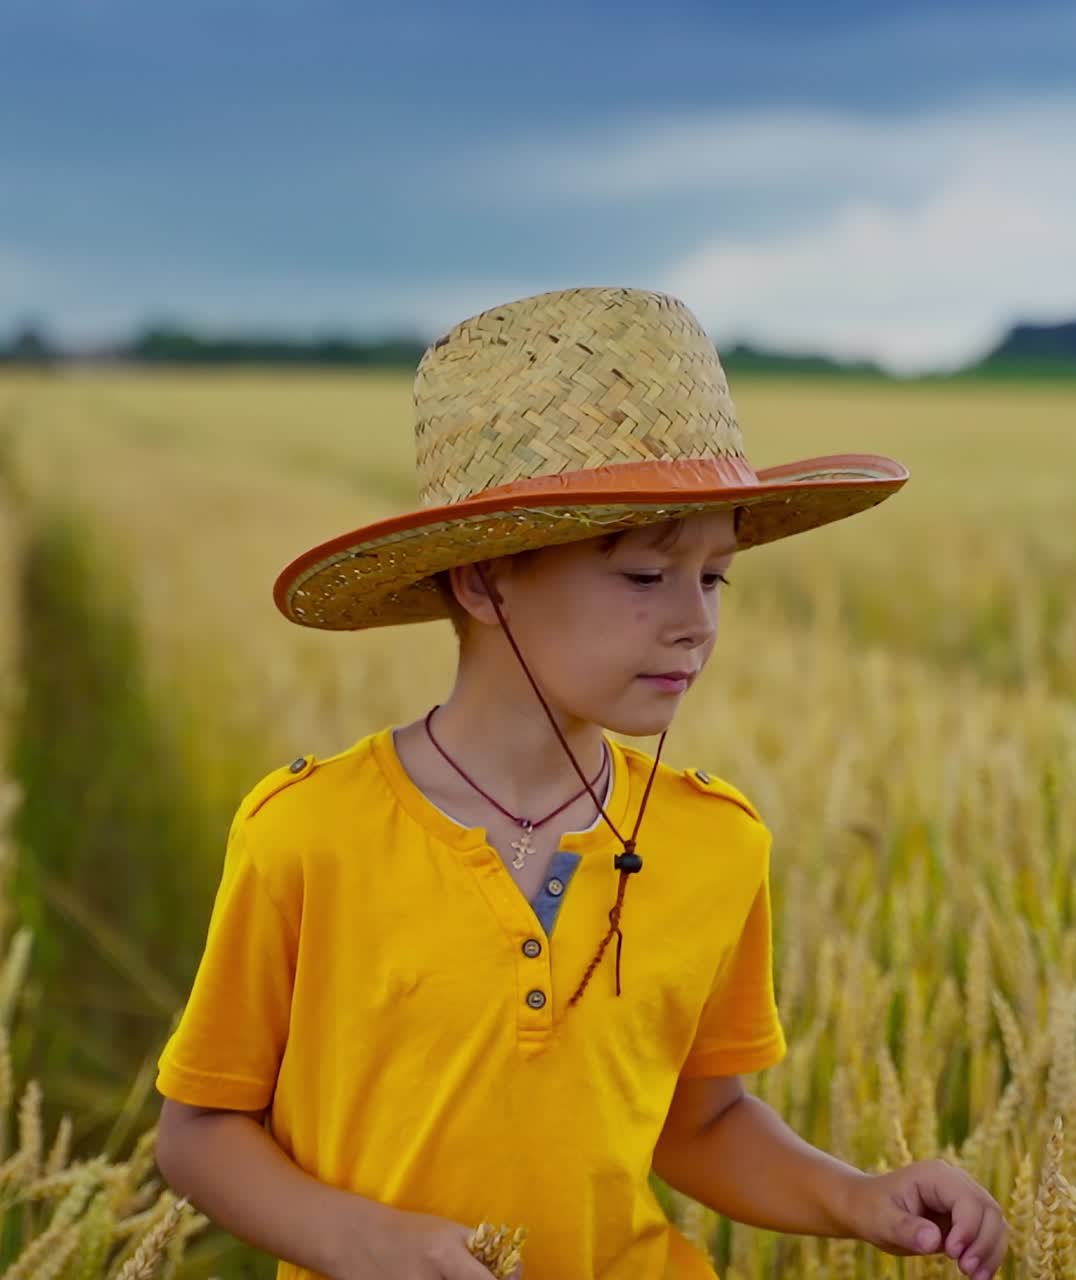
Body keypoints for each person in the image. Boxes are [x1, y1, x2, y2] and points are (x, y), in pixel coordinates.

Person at [152, 286, 1007, 1280]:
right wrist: (363, 1239)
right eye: (646, 577)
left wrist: (856, 1194)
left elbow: (702, 1120)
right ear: (482, 580)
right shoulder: (307, 831)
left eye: (715, 577)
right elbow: (200, 1128)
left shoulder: (716, 842)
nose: (695, 621)